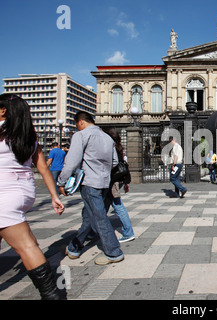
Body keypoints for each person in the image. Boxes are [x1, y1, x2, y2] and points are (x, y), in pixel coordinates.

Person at [0, 94, 65, 300]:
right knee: (23, 240)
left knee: (26, 246)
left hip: (4, 193)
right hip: (24, 192)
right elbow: (43, 169)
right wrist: (54, 196)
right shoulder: (29, 136)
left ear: (3, 111)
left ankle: (51, 296)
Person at [58, 111, 124, 266]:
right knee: (89, 216)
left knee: (99, 217)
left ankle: (114, 252)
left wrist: (62, 181)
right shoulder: (107, 137)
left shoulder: (81, 135)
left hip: (89, 182)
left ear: (80, 122)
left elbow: (71, 161)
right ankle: (74, 248)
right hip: (104, 182)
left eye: (76, 125)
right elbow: (114, 161)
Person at [103, 127, 135, 243]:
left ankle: (128, 232)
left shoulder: (110, 147)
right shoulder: (119, 148)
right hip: (115, 179)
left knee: (117, 206)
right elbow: (124, 165)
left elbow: (117, 163)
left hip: (111, 180)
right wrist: (126, 182)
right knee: (103, 206)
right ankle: (91, 231)